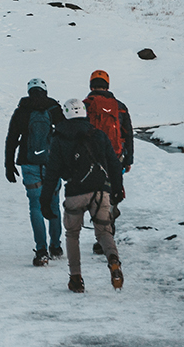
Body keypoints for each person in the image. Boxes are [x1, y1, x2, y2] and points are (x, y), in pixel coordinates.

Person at [40, 98, 125, 292]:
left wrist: (45, 200)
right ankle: (113, 259)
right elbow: (114, 164)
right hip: (101, 190)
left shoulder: (59, 138)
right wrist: (117, 190)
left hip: (75, 192)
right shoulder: (99, 135)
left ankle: (76, 278)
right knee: (104, 231)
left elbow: (52, 172)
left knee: (72, 235)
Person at [5, 78, 63, 264]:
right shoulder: (54, 109)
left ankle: (41, 250)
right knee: (54, 204)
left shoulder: (22, 110)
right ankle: (56, 245)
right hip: (53, 163)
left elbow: (12, 138)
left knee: (35, 206)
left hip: (29, 163)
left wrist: (9, 164)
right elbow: (64, 136)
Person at [84, 69, 134, 255]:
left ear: (91, 85)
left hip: (92, 158)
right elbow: (128, 134)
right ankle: (108, 234)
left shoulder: (86, 105)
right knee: (112, 194)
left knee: (96, 195)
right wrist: (128, 159)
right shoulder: (119, 106)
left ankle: (101, 236)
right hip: (116, 157)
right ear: (107, 85)